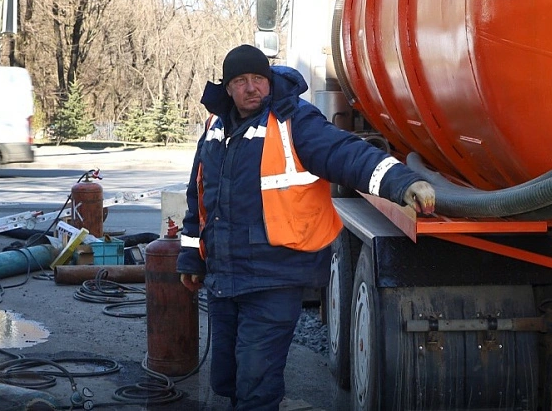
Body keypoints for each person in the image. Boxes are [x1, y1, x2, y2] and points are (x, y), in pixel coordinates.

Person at [176, 44, 435, 410]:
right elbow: (199, 194)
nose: (252, 88)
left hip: (274, 277)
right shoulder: (215, 128)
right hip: (224, 279)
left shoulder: (292, 119)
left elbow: (343, 153)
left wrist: (399, 182)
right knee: (228, 378)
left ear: (268, 81)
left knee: (256, 384)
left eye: (258, 79)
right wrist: (191, 258)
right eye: (240, 81)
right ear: (227, 88)